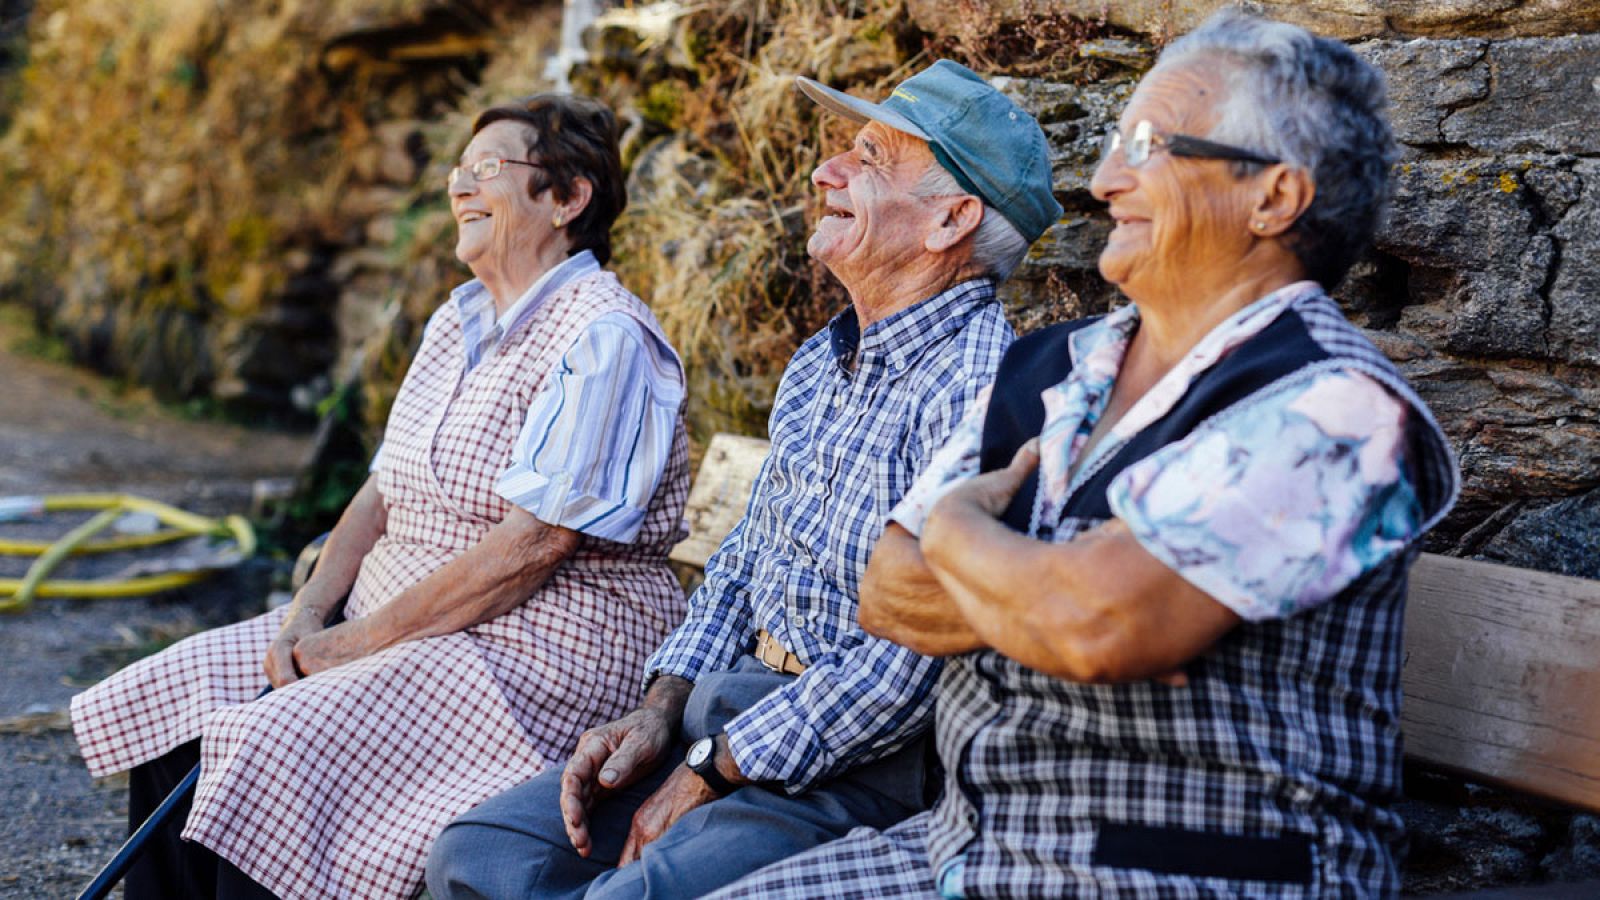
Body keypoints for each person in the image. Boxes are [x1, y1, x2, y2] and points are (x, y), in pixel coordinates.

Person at [712, 10, 1460, 898]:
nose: (1107, 180)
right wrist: (1057, 590)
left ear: (1274, 198)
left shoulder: (1335, 405)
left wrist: (955, 528)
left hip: (1189, 872)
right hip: (964, 850)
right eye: (1116, 145)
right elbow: (889, 591)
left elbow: (1099, 624)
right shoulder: (1057, 365)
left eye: (1149, 145)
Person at [426, 60, 1063, 899]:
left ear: (952, 218)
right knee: (478, 853)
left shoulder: (985, 388)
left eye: (869, 160)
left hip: (851, 766)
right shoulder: (821, 361)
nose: (824, 172)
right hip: (725, 716)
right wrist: (661, 709)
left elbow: (905, 669)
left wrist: (715, 767)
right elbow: (742, 560)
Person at [70, 94, 691, 899]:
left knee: (270, 750)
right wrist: (309, 609)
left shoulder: (603, 336)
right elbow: (382, 489)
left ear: (568, 199)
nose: (461, 187)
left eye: (490, 169)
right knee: (179, 699)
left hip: (534, 650)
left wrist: (351, 645)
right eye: (457, 172)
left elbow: (532, 548)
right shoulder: (459, 319)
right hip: (404, 618)